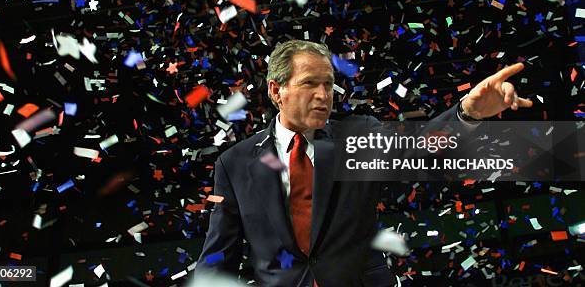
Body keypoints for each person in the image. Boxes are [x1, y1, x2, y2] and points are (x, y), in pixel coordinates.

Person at [195, 40, 532, 286]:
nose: (323, 95)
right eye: (309, 83)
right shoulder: (235, 163)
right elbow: (218, 255)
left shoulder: (358, 136)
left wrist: (466, 114)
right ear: (276, 90)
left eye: (328, 84)